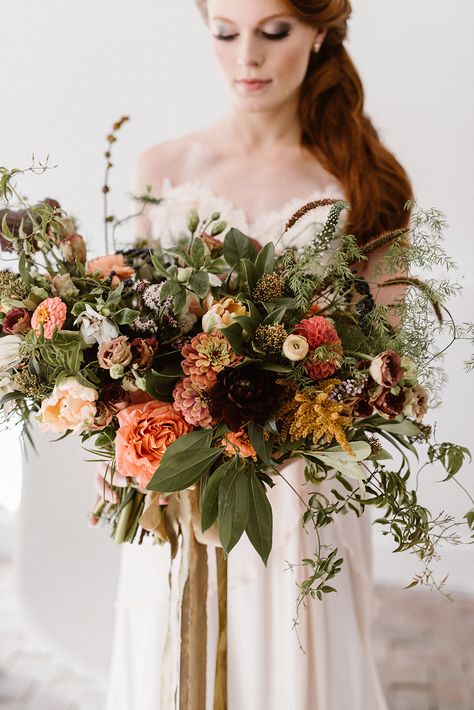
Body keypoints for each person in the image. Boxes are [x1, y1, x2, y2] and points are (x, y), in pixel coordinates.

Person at [104, 1, 412, 708]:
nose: (247, 57)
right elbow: (133, 336)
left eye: (274, 33)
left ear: (320, 32)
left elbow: (386, 364)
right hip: (177, 482)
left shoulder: (366, 184)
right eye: (226, 32)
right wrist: (119, 424)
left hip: (301, 487)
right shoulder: (162, 167)